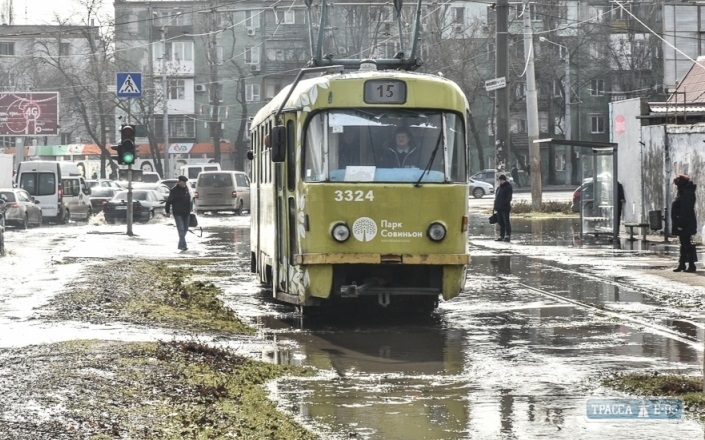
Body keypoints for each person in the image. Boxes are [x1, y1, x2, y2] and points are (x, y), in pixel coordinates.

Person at [671, 174, 698, 272]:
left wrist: (681, 224)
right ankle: (682, 264)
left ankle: (691, 265)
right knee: (684, 244)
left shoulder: (687, 193)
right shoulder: (684, 191)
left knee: (686, 244)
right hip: (684, 222)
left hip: (685, 223)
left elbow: (685, 210)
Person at [165, 175, 193, 251]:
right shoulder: (174, 190)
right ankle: (184, 246)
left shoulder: (186, 189)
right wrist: (167, 211)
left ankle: (180, 245)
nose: (184, 184)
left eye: (185, 182)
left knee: (185, 230)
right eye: (183, 182)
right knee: (181, 229)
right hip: (178, 213)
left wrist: (191, 209)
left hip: (186, 213)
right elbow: (169, 202)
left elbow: (189, 200)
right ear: (179, 182)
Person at [493, 174, 513, 242]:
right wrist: (495, 206)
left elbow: (508, 198)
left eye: (501, 180)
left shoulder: (508, 187)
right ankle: (501, 235)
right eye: (499, 180)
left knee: (506, 222)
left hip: (505, 208)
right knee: (500, 222)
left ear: (504, 180)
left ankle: (507, 235)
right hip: (499, 208)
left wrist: (504, 204)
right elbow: (497, 198)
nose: (500, 182)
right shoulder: (499, 188)